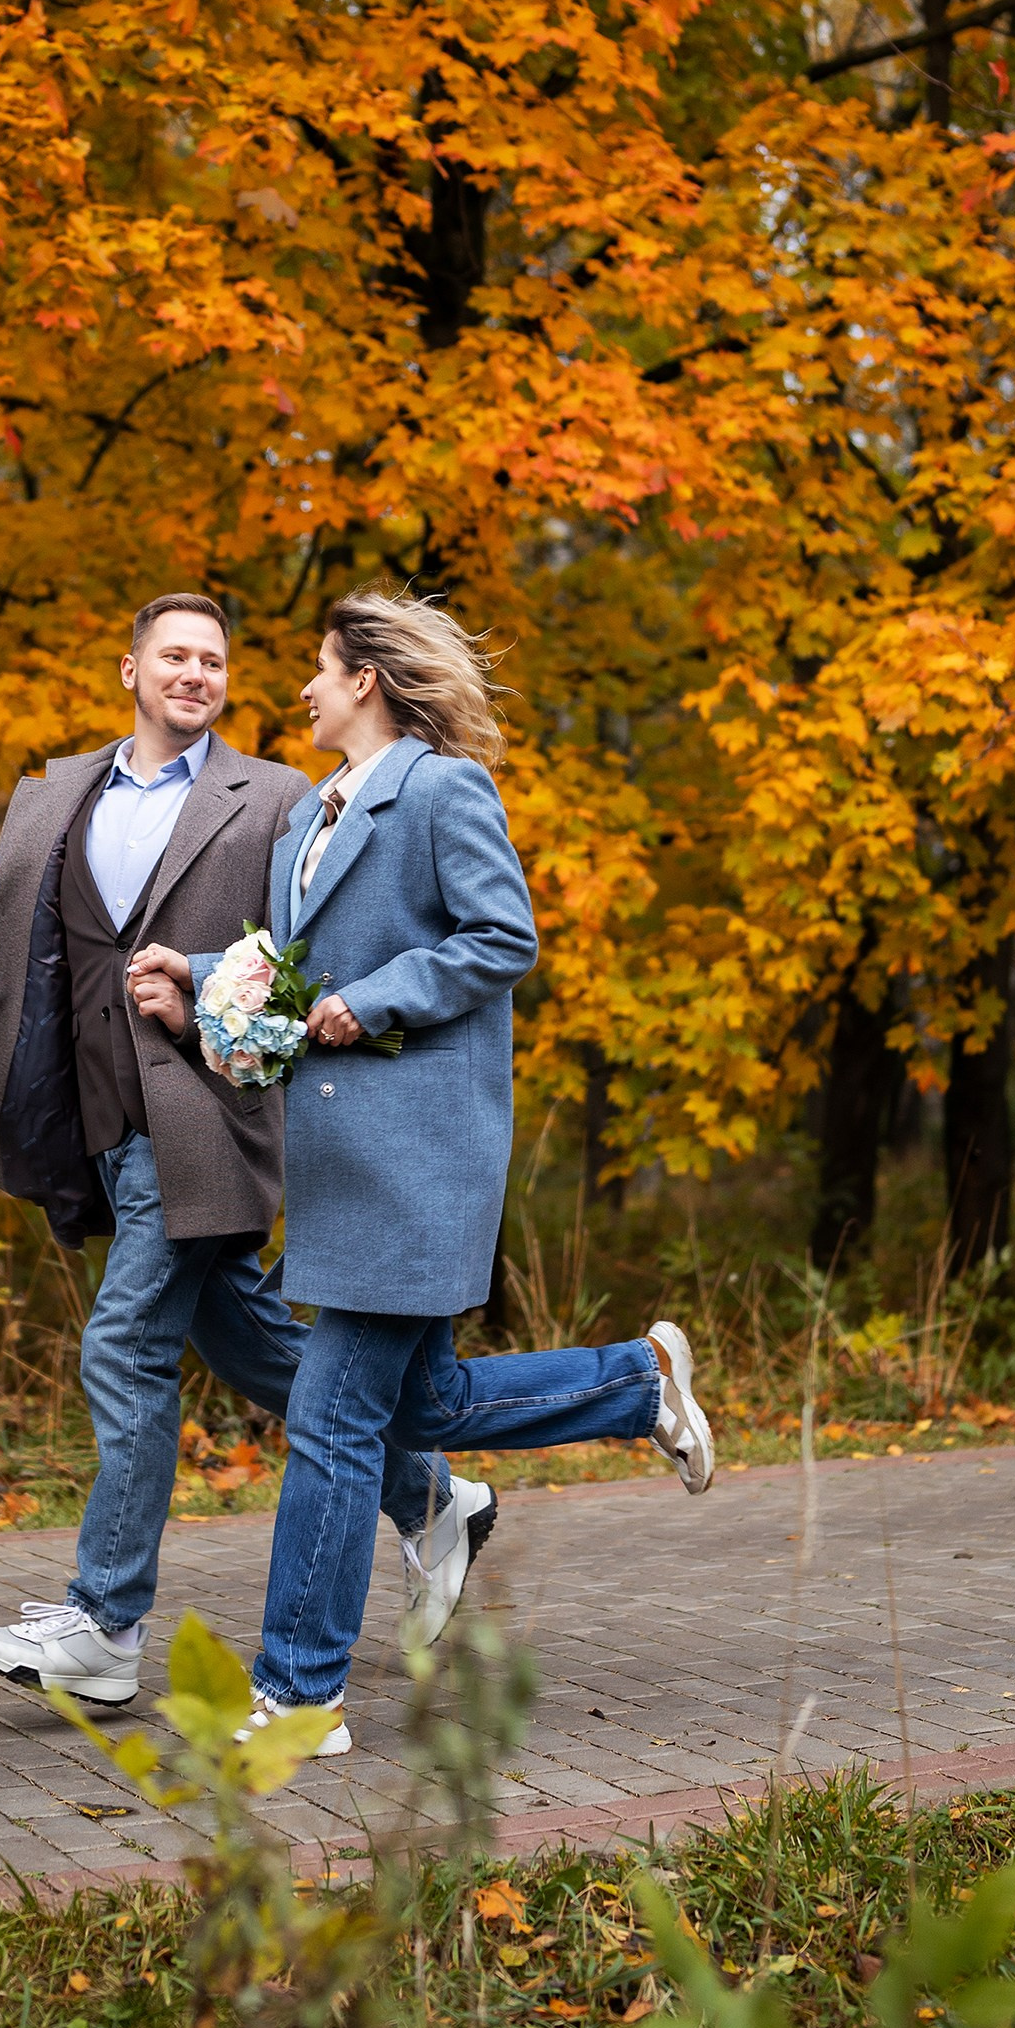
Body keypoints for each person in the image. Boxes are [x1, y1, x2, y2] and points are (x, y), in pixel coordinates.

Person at [0, 592, 493, 1710]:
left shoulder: (279, 794)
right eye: (176, 653)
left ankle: (105, 1623)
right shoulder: (52, 792)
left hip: (211, 1117)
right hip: (95, 1120)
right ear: (131, 669)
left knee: (122, 1345)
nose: (197, 671)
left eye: (215, 658)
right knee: (259, 1350)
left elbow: (302, 949)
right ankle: (432, 1494)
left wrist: (214, 981)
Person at [137, 590, 712, 1753]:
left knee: (334, 1413)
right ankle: (635, 1381)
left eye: (318, 666)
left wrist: (367, 1002)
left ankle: (299, 1695)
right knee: (424, 1405)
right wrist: (197, 973)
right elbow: (299, 968)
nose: (301, 685)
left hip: (419, 1152)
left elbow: (501, 939)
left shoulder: (442, 789)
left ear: (366, 679)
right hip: (340, 1153)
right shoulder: (311, 819)